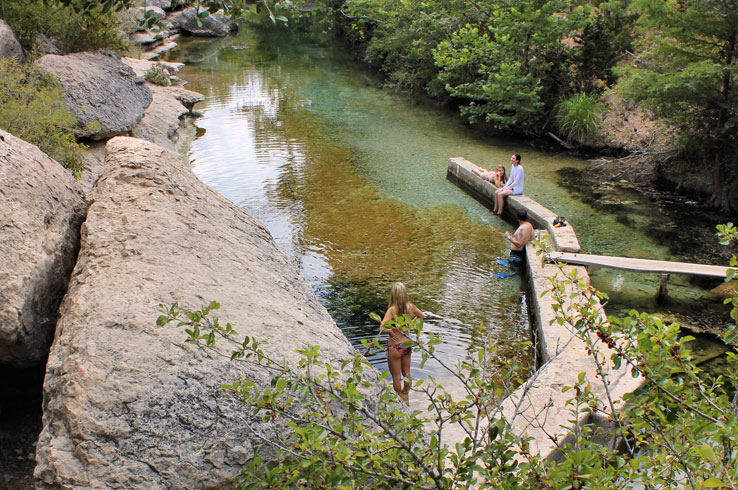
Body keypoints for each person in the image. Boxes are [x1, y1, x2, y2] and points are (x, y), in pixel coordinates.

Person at [379, 282, 424, 401]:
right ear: (405, 294)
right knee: (407, 373)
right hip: (407, 345)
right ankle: (406, 394)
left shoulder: (392, 309)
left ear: (393, 295)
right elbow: (421, 316)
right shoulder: (411, 306)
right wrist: (411, 324)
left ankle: (400, 399)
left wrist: (390, 332)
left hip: (395, 347)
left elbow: (382, 328)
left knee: (396, 377)